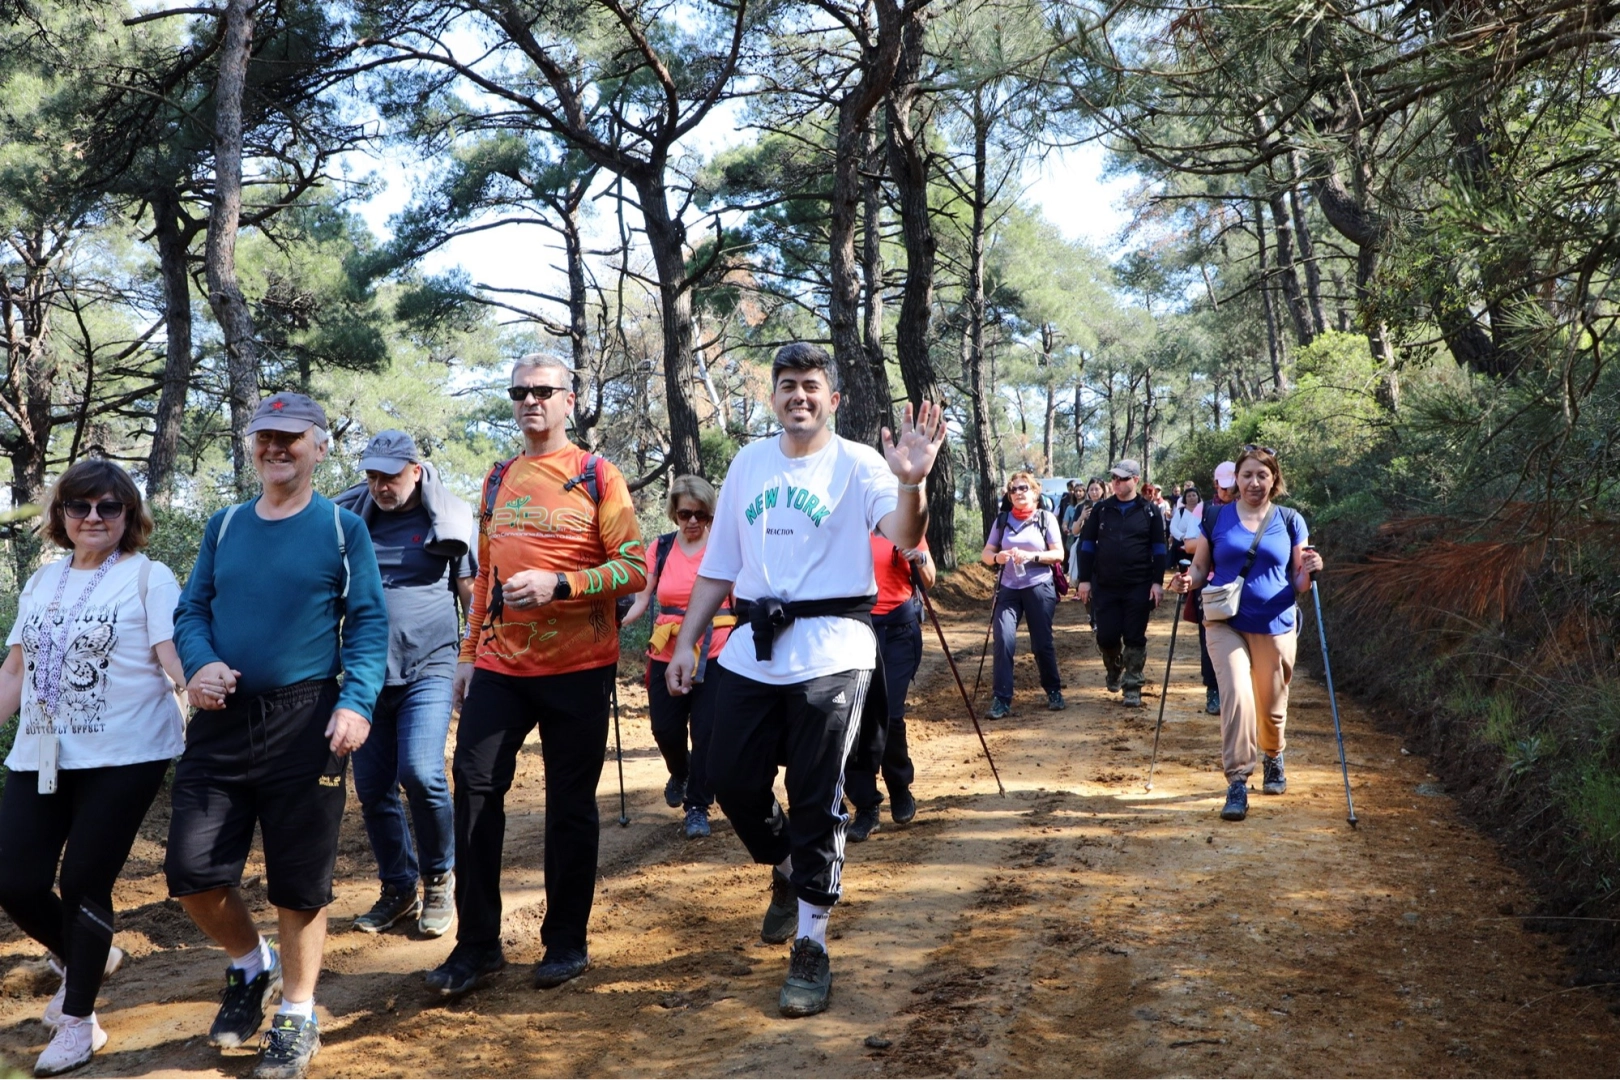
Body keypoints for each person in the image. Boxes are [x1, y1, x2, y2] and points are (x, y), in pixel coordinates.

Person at [665, 342, 944, 1019]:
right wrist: (687, 640)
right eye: (787, 385)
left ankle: (812, 947)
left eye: (811, 385)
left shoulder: (860, 463)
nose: (799, 395)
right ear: (774, 397)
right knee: (725, 776)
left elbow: (904, 531)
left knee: (816, 795)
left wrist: (913, 480)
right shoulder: (749, 463)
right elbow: (719, 565)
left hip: (834, 647)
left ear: (833, 397)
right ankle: (787, 870)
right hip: (753, 646)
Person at [169, 392, 389, 1080]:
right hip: (222, 722)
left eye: (290, 438)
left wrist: (357, 703)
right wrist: (199, 663)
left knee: (299, 883)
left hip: (308, 719)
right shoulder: (227, 524)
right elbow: (191, 607)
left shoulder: (340, 530)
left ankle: (297, 1011)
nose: (274, 448)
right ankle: (248, 964)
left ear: (319, 448)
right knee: (192, 873)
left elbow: (371, 624)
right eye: (264, 436)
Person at [427, 354, 646, 1001]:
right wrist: (468, 655)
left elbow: (632, 567)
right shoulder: (499, 480)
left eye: (542, 391)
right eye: (519, 390)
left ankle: (566, 941)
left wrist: (563, 583)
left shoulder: (597, 477)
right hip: (499, 664)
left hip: (579, 667)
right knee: (473, 791)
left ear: (568, 400)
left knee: (570, 808)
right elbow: (486, 576)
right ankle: (476, 946)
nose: (530, 401)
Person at [0, 461, 185, 1077]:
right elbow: (14, 673)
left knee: (84, 880)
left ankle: (79, 1023)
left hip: (126, 753)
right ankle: (88, 956)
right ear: (61, 516)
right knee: (14, 879)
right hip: (43, 749)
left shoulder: (148, 577)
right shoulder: (41, 583)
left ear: (129, 514)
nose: (94, 519)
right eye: (80, 508)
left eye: (109, 507)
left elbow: (173, 656)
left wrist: (203, 688)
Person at [334, 431, 478, 939]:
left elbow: (470, 592)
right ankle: (398, 888)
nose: (378, 486)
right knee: (372, 789)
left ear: (415, 470)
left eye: (389, 476)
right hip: (367, 673)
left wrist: (472, 655)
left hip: (430, 666)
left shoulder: (448, 520)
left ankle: (439, 876)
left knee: (420, 772)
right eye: (372, 475)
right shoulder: (349, 519)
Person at [1170, 446, 1322, 822]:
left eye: (1263, 476)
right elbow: (1202, 566)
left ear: (1274, 480)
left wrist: (1312, 568)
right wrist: (1188, 580)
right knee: (1236, 695)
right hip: (1225, 622)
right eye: (1247, 475)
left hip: (1275, 624)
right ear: (1235, 480)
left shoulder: (1289, 520)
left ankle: (1273, 755)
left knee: (1271, 708)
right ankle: (1237, 779)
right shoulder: (1216, 517)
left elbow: (1299, 582)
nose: (1255, 482)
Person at [622, 475, 733, 840]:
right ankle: (680, 771)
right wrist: (614, 623)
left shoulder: (723, 547)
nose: (693, 521)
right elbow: (642, 598)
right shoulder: (662, 548)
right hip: (666, 651)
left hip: (716, 651)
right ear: (674, 513)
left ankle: (697, 806)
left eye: (702, 514)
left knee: (707, 732)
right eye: (686, 513)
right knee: (665, 729)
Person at [844, 533, 935, 841]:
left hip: (898, 630)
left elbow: (930, 579)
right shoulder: (848, 523)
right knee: (854, 721)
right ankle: (866, 806)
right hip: (854, 629)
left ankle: (899, 785)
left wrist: (919, 559)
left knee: (891, 714)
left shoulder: (906, 525)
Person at [1074, 459, 1166, 708]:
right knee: (1106, 636)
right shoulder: (1101, 511)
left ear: (1135, 480)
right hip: (1105, 585)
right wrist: (1084, 580)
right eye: (1114, 478)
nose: (1116, 482)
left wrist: (1157, 583)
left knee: (1135, 636)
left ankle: (1133, 686)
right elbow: (1086, 546)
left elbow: (1159, 550)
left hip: (1138, 584)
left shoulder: (1150, 511)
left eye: (1123, 478)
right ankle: (1114, 666)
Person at [980, 473, 1066, 719]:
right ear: (1009, 495)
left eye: (1024, 488)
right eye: (1013, 489)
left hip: (1039, 586)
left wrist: (1032, 556)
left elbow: (1059, 554)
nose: (1018, 492)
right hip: (1008, 587)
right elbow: (986, 553)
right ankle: (1001, 699)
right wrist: (997, 558)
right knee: (1004, 640)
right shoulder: (1002, 520)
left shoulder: (1045, 518)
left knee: (1041, 643)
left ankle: (1053, 691)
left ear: (1035, 493)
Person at [1186, 461, 1238, 715]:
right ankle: (1213, 690)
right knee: (1211, 638)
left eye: (1232, 487)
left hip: (1242, 582)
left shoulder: (1248, 509)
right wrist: (1215, 541)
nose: (1228, 492)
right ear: (1215, 484)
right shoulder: (1204, 510)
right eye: (1224, 487)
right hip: (1210, 582)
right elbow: (1188, 544)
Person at [1169, 486, 1203, 566]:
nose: (1191, 498)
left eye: (1194, 495)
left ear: (1198, 497)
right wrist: (1182, 536)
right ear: (1185, 498)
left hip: (1199, 546)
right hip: (1181, 547)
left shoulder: (1204, 511)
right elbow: (1173, 527)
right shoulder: (1180, 512)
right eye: (1189, 496)